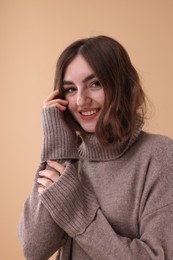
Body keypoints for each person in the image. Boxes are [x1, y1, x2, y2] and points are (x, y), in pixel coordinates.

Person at [17, 35, 173, 260]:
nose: (81, 101)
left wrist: (79, 215)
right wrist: (57, 149)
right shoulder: (66, 161)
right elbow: (33, 249)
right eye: (70, 89)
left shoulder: (159, 155)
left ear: (122, 85)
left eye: (95, 84)